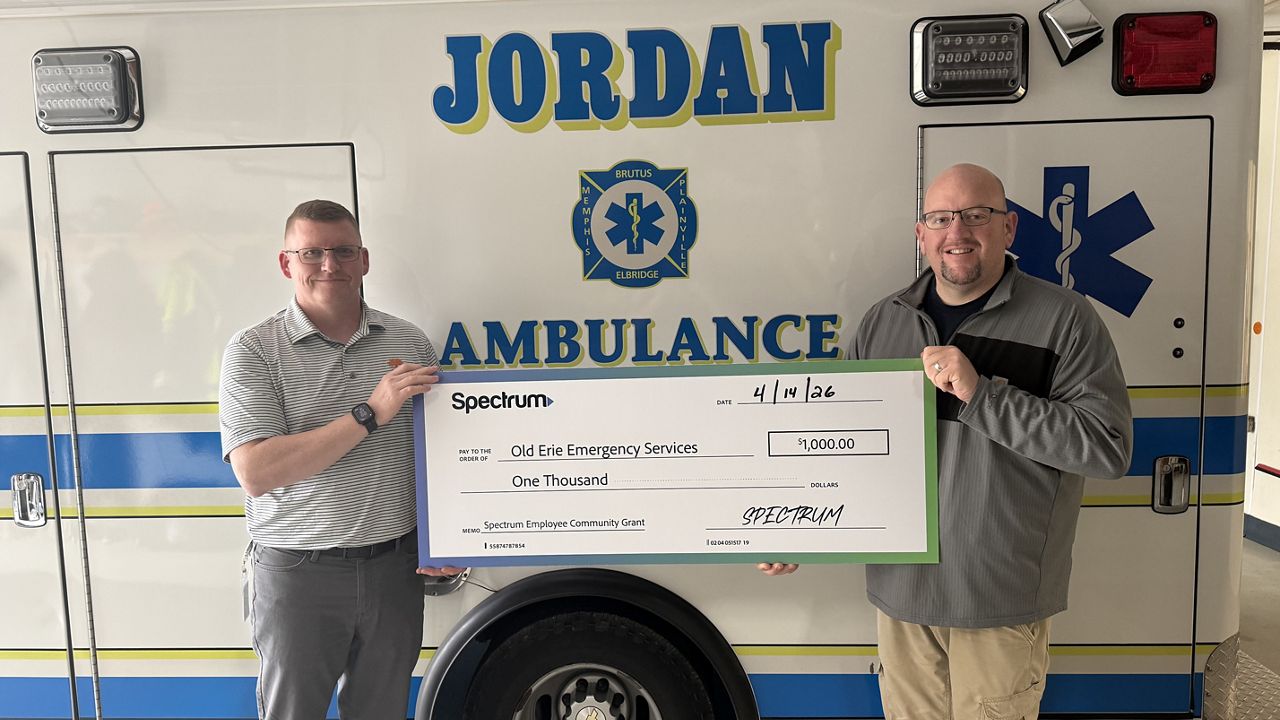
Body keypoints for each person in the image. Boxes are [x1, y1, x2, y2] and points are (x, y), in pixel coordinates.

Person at [760, 163, 1132, 719]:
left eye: (976, 215)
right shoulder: (884, 323)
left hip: (998, 601)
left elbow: (1106, 448)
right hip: (902, 599)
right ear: (921, 235)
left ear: (1007, 229)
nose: (956, 231)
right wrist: (797, 528)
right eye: (940, 218)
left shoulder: (1064, 320)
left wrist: (983, 396)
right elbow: (843, 449)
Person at [218, 199, 459, 720]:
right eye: (313, 253)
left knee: (381, 711)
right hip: (299, 573)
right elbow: (256, 472)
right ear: (287, 263)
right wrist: (371, 412)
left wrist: (450, 534)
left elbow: (437, 454)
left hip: (393, 569)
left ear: (364, 260)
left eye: (344, 251)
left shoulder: (408, 341)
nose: (330, 265)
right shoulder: (253, 350)